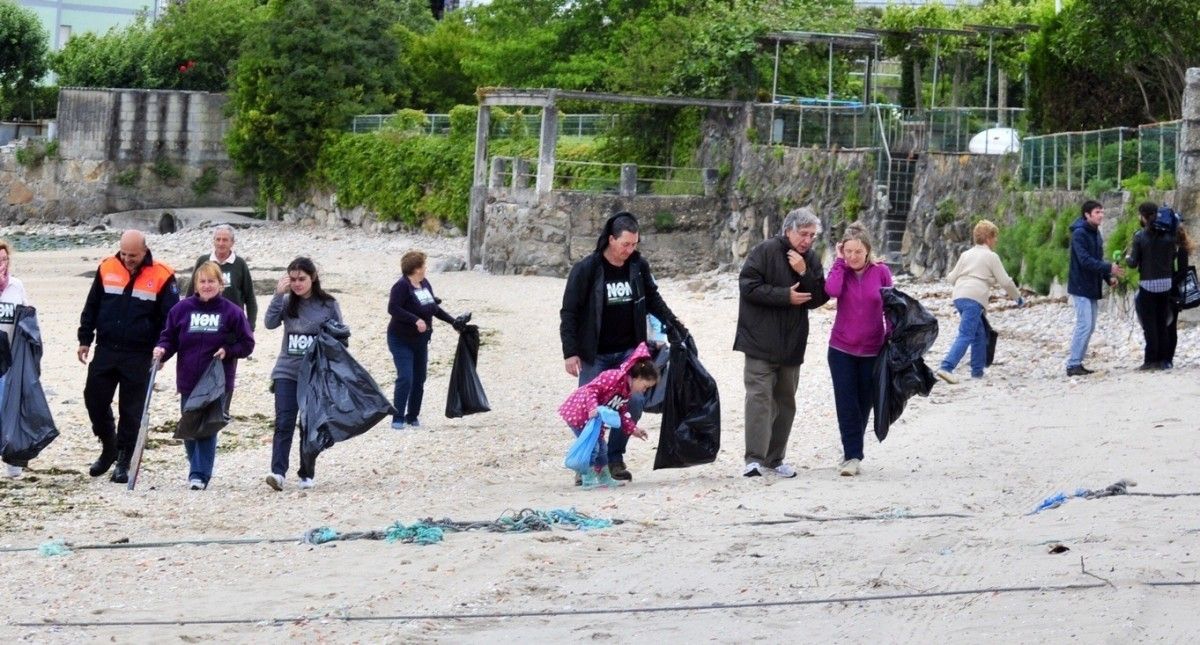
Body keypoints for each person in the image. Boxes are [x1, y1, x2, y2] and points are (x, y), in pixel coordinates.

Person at [559, 211, 688, 483]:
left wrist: (675, 324)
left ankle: (615, 458)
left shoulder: (637, 266)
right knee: (588, 409)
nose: (630, 250)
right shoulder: (587, 269)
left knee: (635, 402)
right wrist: (570, 352)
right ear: (610, 240)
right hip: (594, 353)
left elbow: (653, 299)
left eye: (634, 244)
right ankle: (592, 462)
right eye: (625, 244)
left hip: (629, 353)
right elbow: (569, 312)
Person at [733, 207, 829, 478]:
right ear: (788, 230)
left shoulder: (810, 258)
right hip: (759, 341)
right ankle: (753, 460)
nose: (807, 240)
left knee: (786, 402)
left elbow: (820, 297)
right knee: (759, 399)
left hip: (792, 344)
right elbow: (747, 285)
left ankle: (775, 460)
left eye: (812, 235)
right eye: (803, 234)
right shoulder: (764, 251)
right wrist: (783, 296)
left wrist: (804, 272)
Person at [77, 230, 179, 484]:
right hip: (107, 348)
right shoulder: (107, 267)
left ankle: (124, 459)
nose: (127, 259)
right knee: (94, 399)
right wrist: (84, 338)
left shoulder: (163, 274)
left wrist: (164, 350)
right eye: (123, 253)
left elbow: (172, 319)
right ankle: (109, 444)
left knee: (131, 411)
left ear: (144, 251)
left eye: (132, 255)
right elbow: (92, 305)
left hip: (140, 353)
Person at [153, 262, 255, 489]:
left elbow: (247, 344)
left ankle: (199, 475)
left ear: (221, 284)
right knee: (189, 426)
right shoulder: (181, 310)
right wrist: (161, 351)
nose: (207, 286)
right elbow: (169, 338)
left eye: (212, 281)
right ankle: (196, 466)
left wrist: (228, 351)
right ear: (196, 285)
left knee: (208, 426)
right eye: (203, 281)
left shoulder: (232, 312)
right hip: (188, 379)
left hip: (216, 382)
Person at [263, 257, 342, 491]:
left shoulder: (329, 304)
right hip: (286, 371)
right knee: (284, 422)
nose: (297, 284)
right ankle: (278, 472)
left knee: (309, 425)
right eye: (293, 279)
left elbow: (341, 336)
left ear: (313, 278)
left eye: (302, 279)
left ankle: (306, 473)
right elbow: (269, 323)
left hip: (315, 374)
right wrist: (278, 294)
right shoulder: (287, 302)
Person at [825, 222, 893, 477]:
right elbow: (831, 290)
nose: (853, 256)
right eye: (848, 251)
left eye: (858, 252)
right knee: (846, 403)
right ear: (843, 250)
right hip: (841, 349)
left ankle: (850, 451)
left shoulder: (882, 272)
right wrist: (838, 261)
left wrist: (891, 336)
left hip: (872, 351)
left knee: (864, 405)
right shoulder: (842, 270)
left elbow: (891, 306)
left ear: (867, 251)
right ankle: (853, 455)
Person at [936, 219, 1023, 384]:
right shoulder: (991, 256)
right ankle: (946, 367)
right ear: (989, 238)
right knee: (966, 334)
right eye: (995, 237)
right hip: (974, 298)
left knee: (980, 333)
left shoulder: (966, 254)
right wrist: (1017, 297)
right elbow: (1005, 281)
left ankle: (977, 371)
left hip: (959, 296)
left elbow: (951, 278)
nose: (996, 240)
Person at [558, 343, 656, 489]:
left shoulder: (626, 391)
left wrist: (633, 429)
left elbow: (621, 413)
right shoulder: (613, 377)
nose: (644, 390)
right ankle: (587, 477)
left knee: (602, 449)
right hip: (579, 414)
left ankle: (604, 477)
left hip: (594, 419)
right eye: (645, 386)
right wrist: (592, 408)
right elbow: (591, 389)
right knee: (593, 447)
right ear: (637, 377)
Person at [387, 250, 463, 430]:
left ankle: (412, 415)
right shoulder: (401, 286)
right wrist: (415, 319)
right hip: (400, 339)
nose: (425, 269)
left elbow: (433, 309)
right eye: (423, 266)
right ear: (415, 269)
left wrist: (453, 322)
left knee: (420, 378)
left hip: (421, 340)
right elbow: (393, 308)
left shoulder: (424, 283)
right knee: (406, 377)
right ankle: (397, 417)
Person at [1066, 200, 1124, 376]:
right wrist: (1109, 268)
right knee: (1084, 325)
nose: (1101, 215)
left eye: (1102, 212)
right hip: (1080, 285)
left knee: (1090, 327)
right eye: (1097, 212)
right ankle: (1072, 364)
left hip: (1092, 285)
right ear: (1087, 214)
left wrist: (1108, 278)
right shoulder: (1079, 234)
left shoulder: (1096, 233)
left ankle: (1078, 362)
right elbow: (1084, 260)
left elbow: (1097, 258)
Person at [1125, 203, 1180, 371]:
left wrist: (1127, 257)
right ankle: (1163, 360)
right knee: (1162, 323)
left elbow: (1133, 264)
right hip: (1166, 284)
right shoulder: (1169, 236)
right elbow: (1172, 259)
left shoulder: (1140, 236)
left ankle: (1150, 361)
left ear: (1143, 216)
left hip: (1148, 285)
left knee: (1150, 325)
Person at [186, 225, 257, 332]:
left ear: (232, 242)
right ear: (213, 241)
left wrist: (250, 326)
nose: (221, 243)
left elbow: (250, 297)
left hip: (233, 323)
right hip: (206, 322)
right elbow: (192, 291)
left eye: (225, 240)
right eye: (218, 239)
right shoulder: (203, 261)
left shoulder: (240, 264)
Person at [1, 239, 31, 478]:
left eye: (4, 259)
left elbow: (27, 317)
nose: (2, 264)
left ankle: (13, 461)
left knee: (11, 409)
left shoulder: (16, 286)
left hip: (11, 357)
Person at [1166, 225, 1195, 368]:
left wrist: (1169, 284)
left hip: (1173, 293)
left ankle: (1169, 358)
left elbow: (1182, 272)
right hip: (1169, 291)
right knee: (1167, 326)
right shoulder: (1173, 248)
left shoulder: (1180, 250)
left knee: (1171, 326)